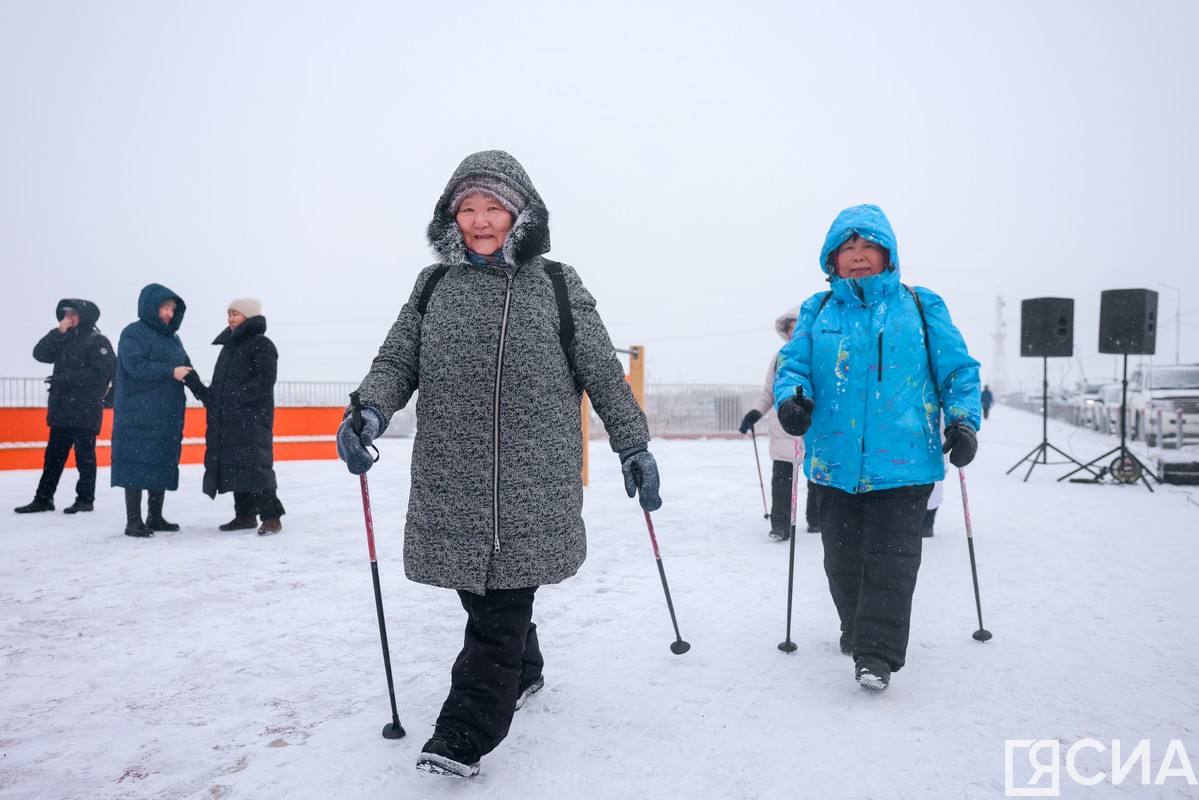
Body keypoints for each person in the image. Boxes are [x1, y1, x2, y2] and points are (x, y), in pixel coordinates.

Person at [336, 150, 661, 779]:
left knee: (500, 604)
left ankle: (464, 730)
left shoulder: (558, 284)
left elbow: (601, 371)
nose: (481, 221)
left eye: (495, 208)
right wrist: (368, 411)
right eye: (468, 208)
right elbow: (397, 360)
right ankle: (526, 667)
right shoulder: (433, 287)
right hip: (450, 475)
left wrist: (633, 444)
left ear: (522, 213)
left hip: (533, 479)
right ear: (451, 216)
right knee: (482, 594)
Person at [774, 204, 981, 691]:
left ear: (888, 254)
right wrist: (792, 400)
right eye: (848, 249)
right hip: (834, 461)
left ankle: (877, 654)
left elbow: (957, 371)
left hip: (905, 459)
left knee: (891, 559)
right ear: (832, 259)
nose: (859, 257)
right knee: (841, 562)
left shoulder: (921, 305)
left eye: (868, 247)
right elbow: (794, 366)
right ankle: (856, 627)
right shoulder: (817, 309)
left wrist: (964, 422)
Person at [184, 298, 285, 535]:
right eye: (229, 313)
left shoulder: (262, 344)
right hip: (230, 419)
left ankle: (272, 516)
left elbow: (264, 381)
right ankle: (245, 515)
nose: (230, 318)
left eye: (236, 313)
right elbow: (217, 394)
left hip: (252, 419)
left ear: (249, 317)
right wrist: (193, 381)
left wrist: (235, 398)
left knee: (256, 465)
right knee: (237, 465)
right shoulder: (228, 349)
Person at [15, 299, 116, 515]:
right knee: (53, 455)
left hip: (85, 409)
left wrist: (66, 378)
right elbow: (39, 354)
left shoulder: (97, 341)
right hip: (62, 410)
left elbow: (102, 373)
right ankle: (43, 499)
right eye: (65, 313)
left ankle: (85, 499)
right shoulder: (64, 339)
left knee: (84, 456)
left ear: (84, 315)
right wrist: (58, 332)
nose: (68, 316)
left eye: (72, 312)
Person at [111, 284, 196, 538]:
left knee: (160, 461)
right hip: (137, 411)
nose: (169, 313)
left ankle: (155, 516)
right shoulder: (133, 332)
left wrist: (205, 392)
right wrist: (170, 372)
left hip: (166, 412)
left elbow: (187, 368)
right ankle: (133, 521)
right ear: (151, 306)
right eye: (165, 307)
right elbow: (135, 365)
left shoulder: (173, 338)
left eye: (172, 308)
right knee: (136, 464)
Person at [738, 306, 820, 539]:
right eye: (791, 328)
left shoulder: (821, 353)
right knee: (783, 476)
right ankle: (781, 525)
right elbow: (768, 393)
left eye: (799, 327)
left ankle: (817, 520)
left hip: (814, 424)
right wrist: (754, 413)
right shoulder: (781, 357)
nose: (795, 332)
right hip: (784, 427)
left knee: (818, 475)